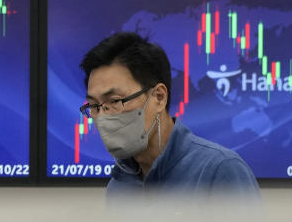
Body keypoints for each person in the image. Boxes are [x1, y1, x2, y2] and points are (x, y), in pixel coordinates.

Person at [80, 32, 259, 198]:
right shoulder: (118, 187)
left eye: (114, 101)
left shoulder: (219, 172)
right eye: (94, 106)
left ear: (159, 97)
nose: (102, 117)